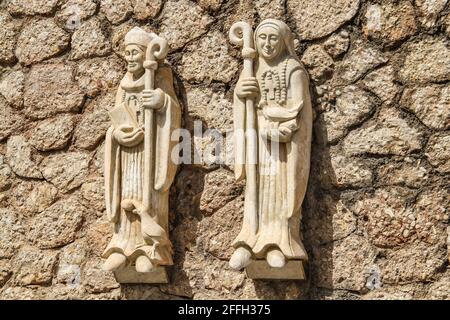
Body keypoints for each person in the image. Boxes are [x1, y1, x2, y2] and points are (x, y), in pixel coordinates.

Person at [229, 19, 312, 270]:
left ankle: (279, 243)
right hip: (258, 142)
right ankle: (250, 240)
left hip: (282, 143)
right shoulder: (252, 69)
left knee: (280, 188)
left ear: (284, 41)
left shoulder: (293, 70)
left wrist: (280, 128)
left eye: (273, 38)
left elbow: (298, 109)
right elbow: (242, 107)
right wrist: (241, 92)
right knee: (256, 190)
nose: (266, 44)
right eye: (262, 38)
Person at [102, 27, 181, 273]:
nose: (130, 57)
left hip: (151, 153)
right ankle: (122, 245)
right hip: (126, 155)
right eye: (127, 52)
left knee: (150, 197)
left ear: (147, 54)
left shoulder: (159, 76)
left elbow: (173, 112)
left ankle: (151, 248)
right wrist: (117, 135)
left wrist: (162, 101)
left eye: (135, 52)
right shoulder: (123, 86)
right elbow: (115, 120)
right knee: (126, 197)